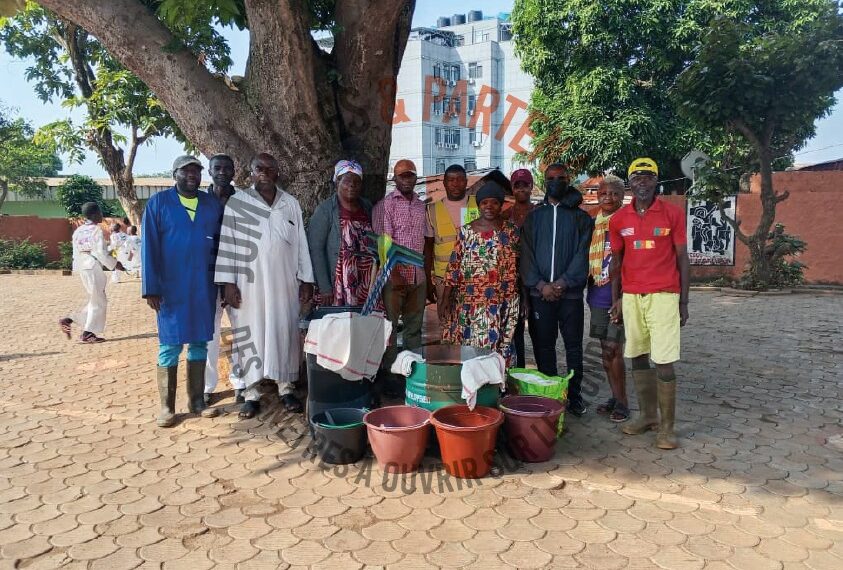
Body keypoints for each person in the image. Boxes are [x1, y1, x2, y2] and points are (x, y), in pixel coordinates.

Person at [215, 153, 315, 418]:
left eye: (271, 168)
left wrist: (306, 279)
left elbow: (301, 242)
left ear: (278, 172)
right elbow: (226, 243)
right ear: (251, 172)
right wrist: (227, 283)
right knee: (250, 333)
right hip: (248, 285)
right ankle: (250, 391)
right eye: (259, 167)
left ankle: (286, 387)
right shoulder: (238, 203)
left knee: (285, 330)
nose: (265, 172)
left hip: (285, 283)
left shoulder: (290, 204)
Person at [609, 158, 690, 449]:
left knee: (664, 361)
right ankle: (646, 416)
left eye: (648, 177)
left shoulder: (672, 213)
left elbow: (682, 258)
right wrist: (616, 298)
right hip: (631, 297)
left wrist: (684, 301)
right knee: (637, 355)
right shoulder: (618, 220)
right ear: (630, 183)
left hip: (665, 296)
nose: (642, 182)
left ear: (656, 181)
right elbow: (616, 262)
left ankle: (667, 429)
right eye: (637, 177)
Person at [142, 155, 221, 427]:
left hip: (203, 285)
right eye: (186, 171)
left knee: (200, 341)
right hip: (170, 288)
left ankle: (197, 401)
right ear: (174, 173)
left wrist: (224, 281)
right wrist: (151, 288)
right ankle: (166, 407)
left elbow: (223, 246)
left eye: (196, 171)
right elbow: (148, 248)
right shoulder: (158, 204)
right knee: (170, 344)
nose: (192, 175)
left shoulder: (211, 205)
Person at [520, 163, 594, 417]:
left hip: (570, 295)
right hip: (541, 295)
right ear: (544, 179)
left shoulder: (581, 218)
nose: (556, 181)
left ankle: (574, 396)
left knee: (573, 347)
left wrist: (562, 283)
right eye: (551, 178)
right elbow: (526, 256)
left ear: (568, 179)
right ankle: (550, 395)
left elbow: (583, 254)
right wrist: (541, 285)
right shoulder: (533, 218)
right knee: (544, 347)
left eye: (561, 178)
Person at [441, 182, 520, 365]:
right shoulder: (466, 232)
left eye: (494, 202)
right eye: (484, 202)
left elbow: (518, 264)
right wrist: (445, 298)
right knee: (474, 348)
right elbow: (454, 266)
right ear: (479, 205)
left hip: (504, 300)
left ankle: (498, 387)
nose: (489, 207)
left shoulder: (511, 231)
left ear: (501, 205)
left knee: (501, 345)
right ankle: (474, 386)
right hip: (472, 301)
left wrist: (524, 298)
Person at [371, 159, 429, 395]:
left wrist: (427, 276)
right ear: (394, 179)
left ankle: (413, 374)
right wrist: (393, 273)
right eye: (402, 175)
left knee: (414, 329)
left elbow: (427, 240)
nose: (406, 179)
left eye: (410, 175)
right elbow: (383, 242)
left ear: (416, 178)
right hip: (394, 277)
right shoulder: (385, 206)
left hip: (418, 278)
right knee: (390, 330)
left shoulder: (420, 205)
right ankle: (391, 377)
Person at [202, 154, 246, 405]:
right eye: (217, 167)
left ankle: (240, 382)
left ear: (234, 171)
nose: (222, 172)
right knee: (210, 333)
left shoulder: (243, 201)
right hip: (207, 277)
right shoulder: (201, 201)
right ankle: (208, 386)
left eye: (227, 168)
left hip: (239, 276)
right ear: (210, 170)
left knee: (241, 331)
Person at [307, 160, 377, 307]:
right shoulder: (325, 210)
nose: (352, 185)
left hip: (366, 281)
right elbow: (316, 250)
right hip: (338, 282)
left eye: (356, 182)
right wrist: (325, 287)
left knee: (364, 324)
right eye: (347, 181)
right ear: (337, 181)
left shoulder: (367, 207)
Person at [587, 175, 629, 422]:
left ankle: (623, 402)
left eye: (614, 193)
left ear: (622, 195)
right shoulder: (594, 221)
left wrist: (622, 296)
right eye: (604, 193)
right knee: (605, 349)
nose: (609, 198)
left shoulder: (627, 221)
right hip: (597, 292)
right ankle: (615, 396)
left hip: (619, 293)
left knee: (615, 348)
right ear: (597, 195)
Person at [59, 202, 125, 343]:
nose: (102, 215)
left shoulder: (78, 231)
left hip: (83, 267)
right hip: (93, 266)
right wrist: (115, 264)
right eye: (100, 212)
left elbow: (76, 252)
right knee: (99, 301)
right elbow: (100, 253)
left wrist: (77, 268)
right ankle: (87, 334)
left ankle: (70, 319)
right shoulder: (96, 229)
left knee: (96, 300)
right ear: (94, 214)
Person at [425, 164, 479, 330]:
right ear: (444, 183)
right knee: (447, 323)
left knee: (472, 323)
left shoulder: (477, 205)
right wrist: (429, 280)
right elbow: (428, 247)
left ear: (466, 182)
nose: (455, 184)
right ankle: (451, 355)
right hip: (443, 278)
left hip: (473, 276)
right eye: (451, 180)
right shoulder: (432, 210)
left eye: (460, 180)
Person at [506, 168, 536, 368]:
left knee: (538, 333)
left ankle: (542, 379)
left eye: (526, 185)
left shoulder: (539, 213)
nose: (522, 189)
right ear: (512, 188)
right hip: (512, 279)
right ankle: (518, 375)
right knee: (513, 333)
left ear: (532, 187)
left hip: (536, 279)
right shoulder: (505, 215)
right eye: (518, 185)